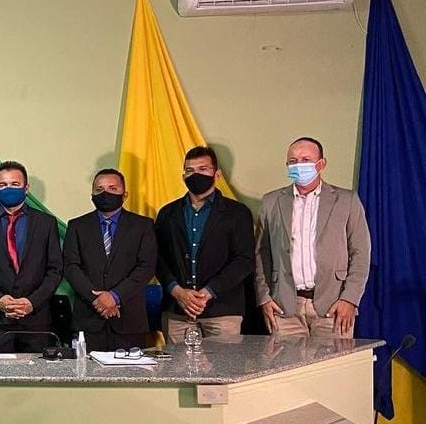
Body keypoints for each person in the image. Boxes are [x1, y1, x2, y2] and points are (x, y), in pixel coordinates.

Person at [255, 137, 371, 338]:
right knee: (286, 360)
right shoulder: (271, 201)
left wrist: (350, 299)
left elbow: (360, 253)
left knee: (335, 360)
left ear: (321, 164)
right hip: (284, 308)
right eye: (293, 161)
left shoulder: (346, 200)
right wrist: (264, 297)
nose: (298, 165)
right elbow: (261, 253)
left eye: (305, 160)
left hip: (333, 307)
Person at [154, 147, 254, 343]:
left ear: (217, 174)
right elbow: (156, 258)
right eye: (190, 170)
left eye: (203, 169)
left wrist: (208, 292)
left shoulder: (238, 213)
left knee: (225, 363)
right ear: (183, 176)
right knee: (177, 364)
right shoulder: (167, 213)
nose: (196, 175)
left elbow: (244, 260)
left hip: (222, 311)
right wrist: (177, 291)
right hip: (177, 311)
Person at [62, 168, 157, 351]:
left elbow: (146, 267)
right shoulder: (77, 226)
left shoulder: (143, 226)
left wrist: (114, 296)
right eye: (99, 189)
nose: (105, 193)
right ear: (92, 194)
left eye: (112, 188)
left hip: (128, 321)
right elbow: (71, 267)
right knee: (85, 369)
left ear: (125, 194)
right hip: (88, 320)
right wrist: (98, 299)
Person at [0, 161, 63, 352]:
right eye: (3, 185)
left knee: (37, 370)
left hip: (36, 321)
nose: (8, 189)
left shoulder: (46, 223)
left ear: (26, 188)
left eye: (15, 184)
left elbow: (55, 270)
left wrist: (32, 302)